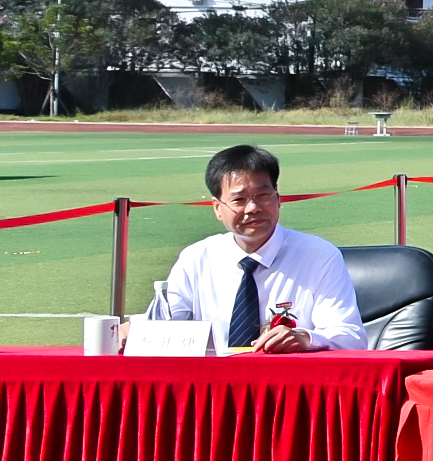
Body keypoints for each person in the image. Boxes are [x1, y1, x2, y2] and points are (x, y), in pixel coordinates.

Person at [143, 144, 369, 352]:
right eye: (239, 200)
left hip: (286, 378)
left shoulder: (319, 257)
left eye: (262, 196)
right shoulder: (196, 258)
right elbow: (163, 326)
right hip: (214, 379)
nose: (253, 208)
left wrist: (306, 338)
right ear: (217, 208)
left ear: (278, 198)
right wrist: (134, 330)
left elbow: (352, 338)